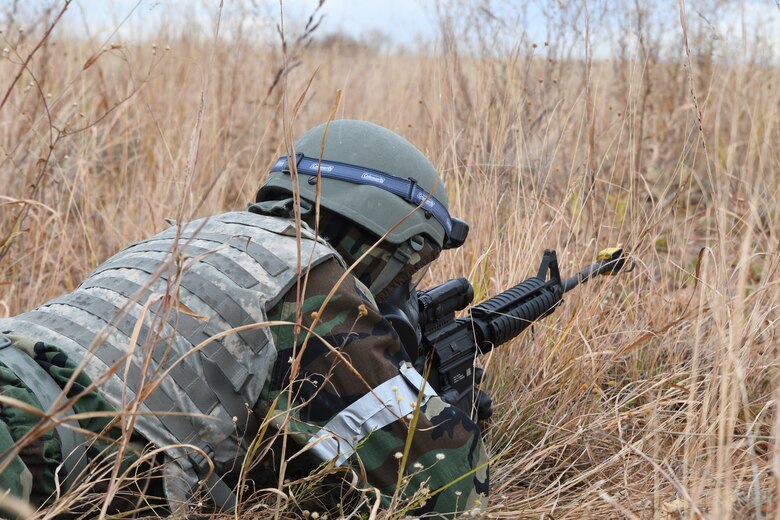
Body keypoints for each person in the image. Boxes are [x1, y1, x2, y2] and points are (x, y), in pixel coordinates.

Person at [0, 120, 489, 518]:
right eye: (411, 269)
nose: (406, 289)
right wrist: (446, 406)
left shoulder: (187, 237)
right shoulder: (311, 281)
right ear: (387, 239)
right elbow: (453, 492)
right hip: (30, 448)